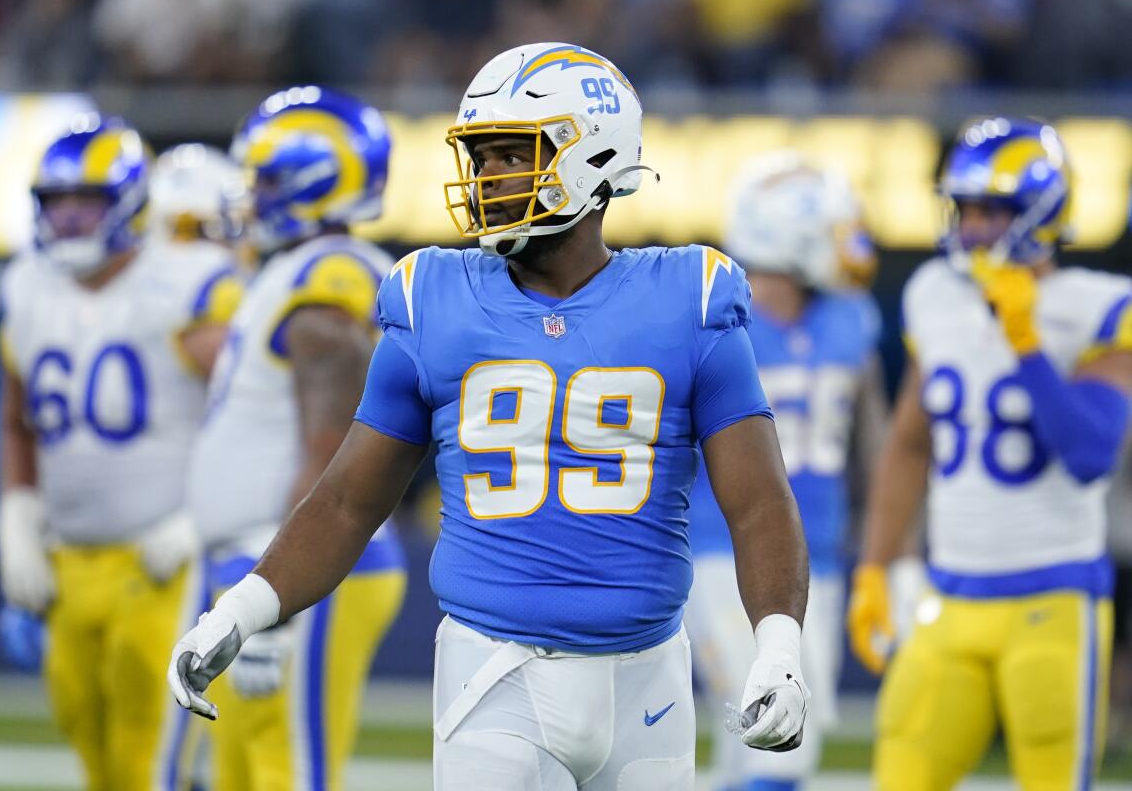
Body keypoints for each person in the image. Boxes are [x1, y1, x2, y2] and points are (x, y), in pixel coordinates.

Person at [169, 43, 811, 790]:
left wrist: (779, 646)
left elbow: (759, 501)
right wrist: (243, 609)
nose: (488, 179)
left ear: (592, 156)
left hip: (649, 686)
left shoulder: (689, 298)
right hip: (492, 672)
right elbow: (349, 501)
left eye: (513, 154)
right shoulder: (431, 297)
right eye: (482, 157)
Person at [848, 117, 1132, 790]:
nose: (973, 225)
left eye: (992, 209)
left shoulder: (1099, 307)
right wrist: (874, 568)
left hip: (1055, 599)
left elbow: (1090, 452)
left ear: (1039, 211)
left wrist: (1027, 342)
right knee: (902, 771)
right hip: (951, 593)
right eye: (966, 207)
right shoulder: (933, 296)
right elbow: (910, 443)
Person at [0, 115, 242, 790]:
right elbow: (15, 421)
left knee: (149, 764)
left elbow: (254, 414)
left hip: (162, 564)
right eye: (57, 202)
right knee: (99, 765)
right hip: (68, 563)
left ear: (131, 204)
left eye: (87, 202)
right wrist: (16, 518)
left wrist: (201, 519)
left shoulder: (185, 281)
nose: (70, 219)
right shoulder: (26, 285)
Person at [184, 87, 406, 791]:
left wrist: (274, 604)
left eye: (266, 179)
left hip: (300, 564)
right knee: (248, 773)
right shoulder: (288, 271)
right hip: (267, 560)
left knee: (290, 774)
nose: (250, 196)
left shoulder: (327, 274)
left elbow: (331, 449)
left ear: (315, 181)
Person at [684, 153, 887, 791]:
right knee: (777, 744)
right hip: (724, 552)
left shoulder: (851, 316)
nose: (847, 240)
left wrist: (888, 550)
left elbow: (874, 439)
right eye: (832, 226)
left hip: (817, 558)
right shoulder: (718, 321)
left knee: (767, 743)